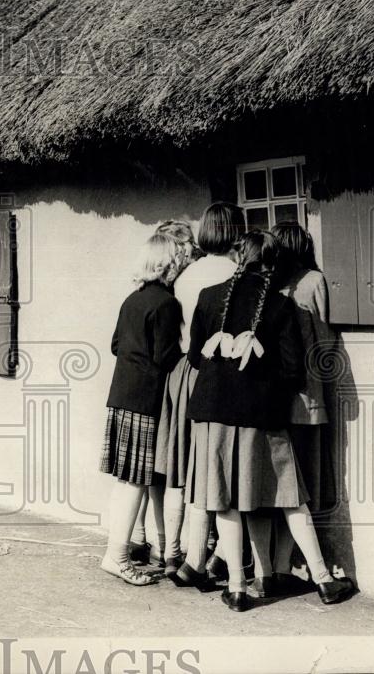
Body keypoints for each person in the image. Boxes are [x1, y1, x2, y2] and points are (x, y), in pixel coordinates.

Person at [183, 230, 354, 611]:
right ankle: (324, 580)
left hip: (212, 414)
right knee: (291, 498)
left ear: (238, 258)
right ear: (273, 264)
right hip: (264, 417)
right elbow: (294, 372)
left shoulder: (208, 296)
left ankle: (237, 588)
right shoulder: (281, 306)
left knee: (224, 502)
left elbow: (194, 357)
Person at [167, 203, 245, 588]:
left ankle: (191, 554)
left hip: (189, 372)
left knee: (198, 467)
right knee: (232, 470)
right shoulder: (238, 274)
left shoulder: (187, 274)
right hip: (229, 376)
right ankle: (220, 556)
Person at [100, 233, 184, 586]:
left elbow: (115, 345)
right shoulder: (167, 303)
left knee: (125, 482)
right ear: (169, 263)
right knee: (136, 483)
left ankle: (115, 553)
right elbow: (166, 357)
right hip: (144, 400)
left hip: (121, 396)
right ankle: (117, 557)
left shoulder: (131, 299)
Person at [262, 220, 338, 592]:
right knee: (303, 488)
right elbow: (325, 341)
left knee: (283, 489)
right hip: (307, 399)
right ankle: (304, 570)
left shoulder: (270, 287)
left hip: (273, 400)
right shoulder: (313, 281)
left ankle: (275, 567)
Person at [126, 220, 199, 573]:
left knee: (147, 471)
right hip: (166, 384)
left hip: (139, 388)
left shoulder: (138, 294)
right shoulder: (169, 296)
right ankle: (168, 548)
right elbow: (167, 351)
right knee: (163, 470)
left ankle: (147, 540)